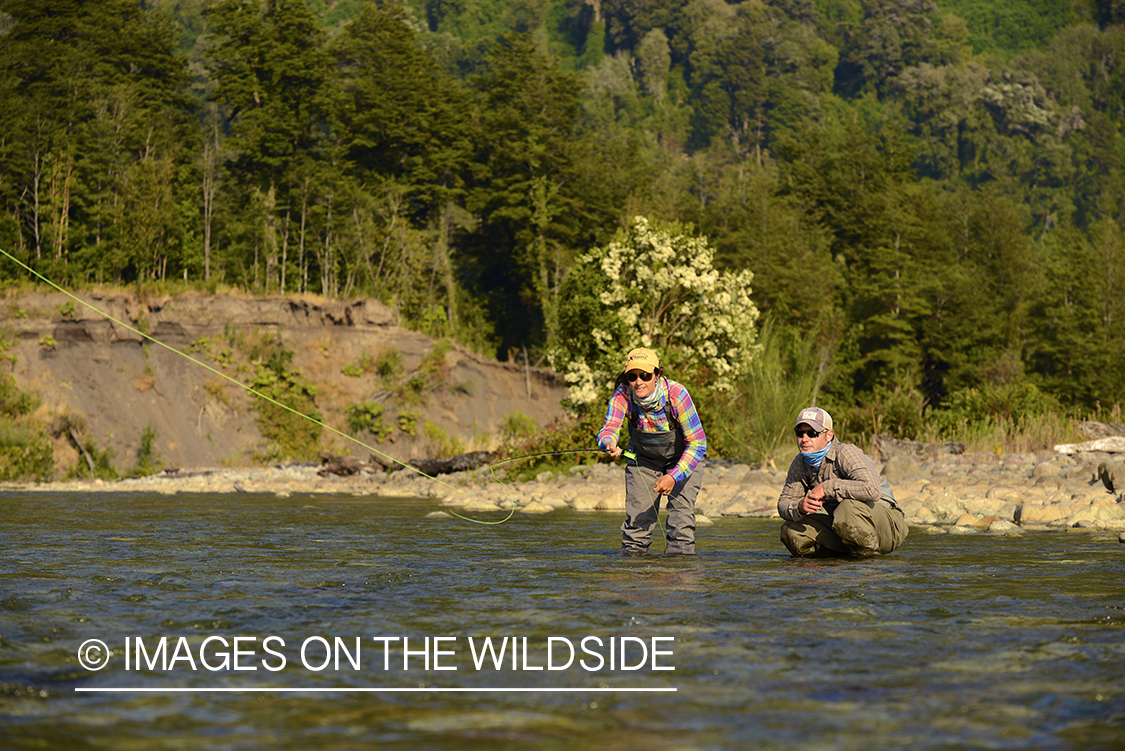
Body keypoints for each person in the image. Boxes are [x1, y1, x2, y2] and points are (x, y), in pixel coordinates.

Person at [597, 347, 706, 556]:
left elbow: (698, 443)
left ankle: (680, 576)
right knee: (637, 524)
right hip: (643, 461)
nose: (639, 381)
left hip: (684, 459)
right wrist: (608, 443)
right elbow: (609, 428)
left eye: (645, 375)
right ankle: (635, 577)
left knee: (680, 523)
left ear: (657, 375)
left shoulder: (676, 394)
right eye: (633, 376)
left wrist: (673, 477)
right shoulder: (623, 395)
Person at [777, 407, 908, 557]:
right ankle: (834, 569)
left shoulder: (845, 453)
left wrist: (827, 487)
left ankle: (870, 564)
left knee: (846, 509)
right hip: (844, 528)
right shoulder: (800, 462)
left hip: (887, 527)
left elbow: (872, 490)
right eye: (800, 433)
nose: (804, 438)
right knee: (792, 531)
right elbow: (783, 503)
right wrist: (799, 506)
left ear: (829, 435)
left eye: (812, 433)